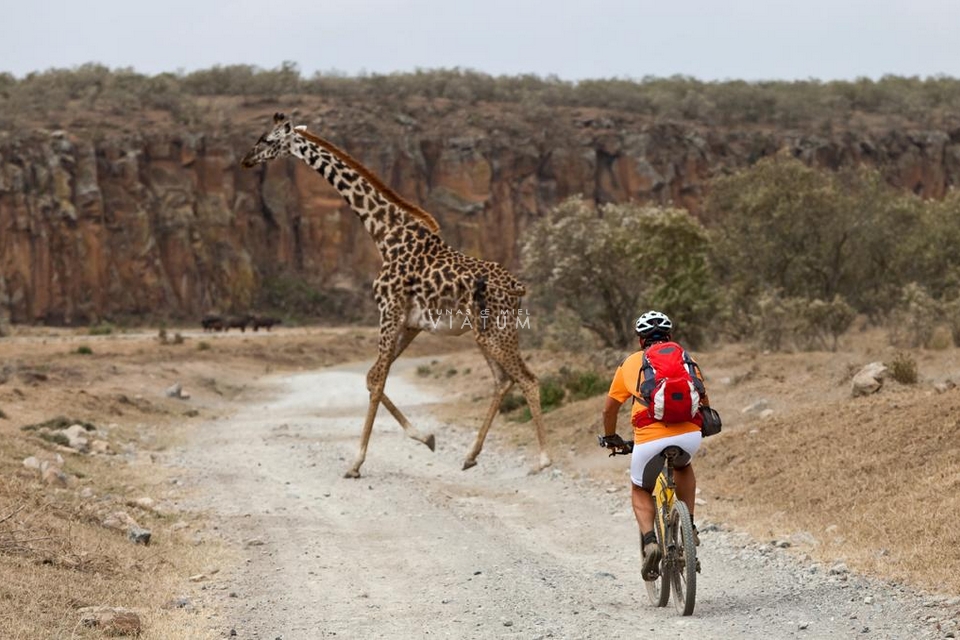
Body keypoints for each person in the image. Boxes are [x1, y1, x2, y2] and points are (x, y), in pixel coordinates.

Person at [600, 310, 710, 581]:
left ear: (640, 341)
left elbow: (609, 410)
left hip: (649, 439)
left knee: (640, 487)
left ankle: (650, 541)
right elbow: (704, 401)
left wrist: (612, 436)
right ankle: (690, 526)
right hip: (688, 436)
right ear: (670, 336)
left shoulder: (631, 364)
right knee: (684, 466)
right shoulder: (687, 359)